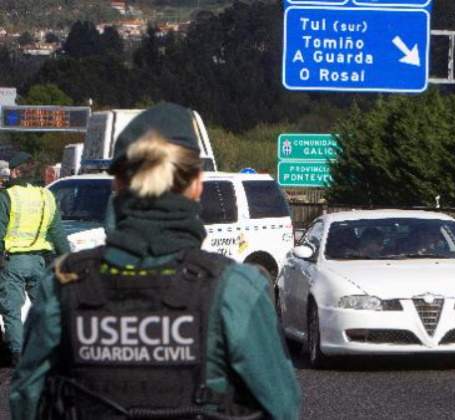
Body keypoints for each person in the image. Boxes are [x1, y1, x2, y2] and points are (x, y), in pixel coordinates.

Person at [10, 103, 301, 420]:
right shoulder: (235, 291)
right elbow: (282, 408)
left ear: (117, 186)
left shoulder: (64, 284)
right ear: (196, 186)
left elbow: (27, 400)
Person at [0, 151, 70, 366]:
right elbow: (57, 232)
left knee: (12, 310)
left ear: (14, 172)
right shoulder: (46, 196)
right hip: (39, 261)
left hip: (12, 263)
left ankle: (19, 355)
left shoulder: (6, 197)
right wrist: (68, 258)